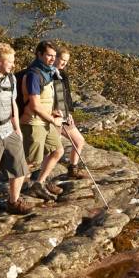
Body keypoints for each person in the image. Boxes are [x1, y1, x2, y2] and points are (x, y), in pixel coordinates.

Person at [0, 43, 33, 216]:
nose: (13, 65)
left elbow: (13, 104)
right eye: (10, 61)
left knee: (19, 168)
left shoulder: (11, 79)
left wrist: (17, 129)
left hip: (9, 129)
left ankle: (13, 202)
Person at [20, 40, 66, 201]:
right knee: (31, 161)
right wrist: (54, 121)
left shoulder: (48, 72)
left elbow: (43, 101)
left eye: (54, 56)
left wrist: (53, 112)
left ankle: (38, 183)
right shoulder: (34, 74)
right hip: (34, 123)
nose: (52, 59)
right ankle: (18, 192)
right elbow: (34, 106)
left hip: (45, 120)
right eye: (49, 55)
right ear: (39, 54)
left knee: (57, 150)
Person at [54, 47, 87, 179]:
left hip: (64, 115)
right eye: (62, 59)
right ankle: (41, 179)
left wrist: (69, 113)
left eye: (66, 61)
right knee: (52, 151)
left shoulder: (63, 74)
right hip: (53, 117)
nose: (64, 63)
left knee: (79, 141)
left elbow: (65, 96)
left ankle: (73, 169)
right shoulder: (47, 74)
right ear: (55, 57)